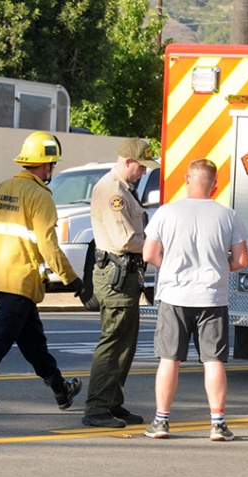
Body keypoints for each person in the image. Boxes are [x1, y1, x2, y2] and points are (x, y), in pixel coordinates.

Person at [0, 131, 83, 415]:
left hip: (1, 278)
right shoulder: (40, 196)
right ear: (45, 165)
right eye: (52, 164)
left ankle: (61, 389)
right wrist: (74, 281)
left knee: (34, 342)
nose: (52, 169)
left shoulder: (0, 190)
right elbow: (49, 245)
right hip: (23, 280)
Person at [142, 158, 248, 441]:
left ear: (188, 180)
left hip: (174, 296)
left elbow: (149, 254)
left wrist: (173, 267)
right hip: (212, 297)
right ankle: (217, 423)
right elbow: (241, 259)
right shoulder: (228, 215)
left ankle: (161, 421)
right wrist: (216, 264)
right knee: (213, 361)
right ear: (214, 185)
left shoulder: (166, 213)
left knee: (169, 359)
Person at [81, 139, 156, 428]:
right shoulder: (114, 192)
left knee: (125, 343)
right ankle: (97, 407)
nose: (142, 173)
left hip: (125, 276)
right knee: (113, 343)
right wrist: (157, 246)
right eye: (140, 167)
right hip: (117, 276)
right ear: (127, 161)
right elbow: (126, 240)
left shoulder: (124, 189)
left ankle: (112, 402)